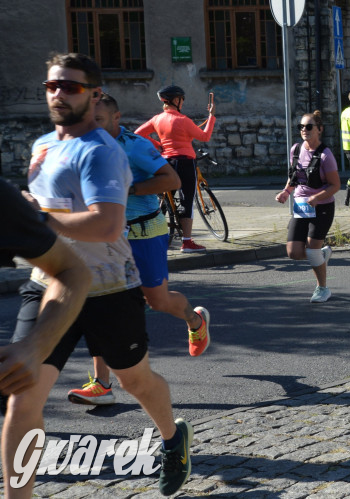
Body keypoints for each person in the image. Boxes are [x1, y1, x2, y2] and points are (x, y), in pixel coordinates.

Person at [5, 53, 193, 498]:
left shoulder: (101, 151)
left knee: (135, 381)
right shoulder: (41, 147)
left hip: (108, 286)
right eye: (52, 85)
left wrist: (38, 222)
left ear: (92, 93)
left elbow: (106, 224)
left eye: (70, 87)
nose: (58, 94)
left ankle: (172, 439)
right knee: (23, 394)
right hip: (49, 284)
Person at [68, 94, 211, 407]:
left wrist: (129, 189)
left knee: (157, 301)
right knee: (99, 303)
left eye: (100, 121)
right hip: (105, 236)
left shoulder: (134, 146)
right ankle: (101, 383)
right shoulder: (82, 145)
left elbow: (171, 179)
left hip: (144, 231)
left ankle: (195, 322)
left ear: (117, 117)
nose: (94, 127)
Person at [1, 179, 91, 498]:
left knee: (137, 379)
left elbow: (73, 271)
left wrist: (35, 346)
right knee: (22, 402)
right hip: (41, 286)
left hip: (116, 281)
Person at [136, 84, 216, 252]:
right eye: (181, 100)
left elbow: (138, 134)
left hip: (165, 163)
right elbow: (205, 136)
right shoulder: (183, 120)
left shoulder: (157, 119)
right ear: (175, 101)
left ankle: (156, 236)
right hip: (185, 162)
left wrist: (158, 145)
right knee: (187, 199)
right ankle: (187, 242)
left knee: (164, 200)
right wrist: (212, 116)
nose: (183, 103)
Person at [275, 111, 342, 303]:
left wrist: (317, 197)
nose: (304, 130)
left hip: (322, 208)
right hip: (301, 207)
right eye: (301, 127)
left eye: (309, 126)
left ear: (319, 129)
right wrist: (286, 192)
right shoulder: (295, 149)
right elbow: (294, 177)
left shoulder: (325, 155)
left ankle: (322, 288)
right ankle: (320, 255)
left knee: (311, 251)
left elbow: (335, 185)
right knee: (294, 252)